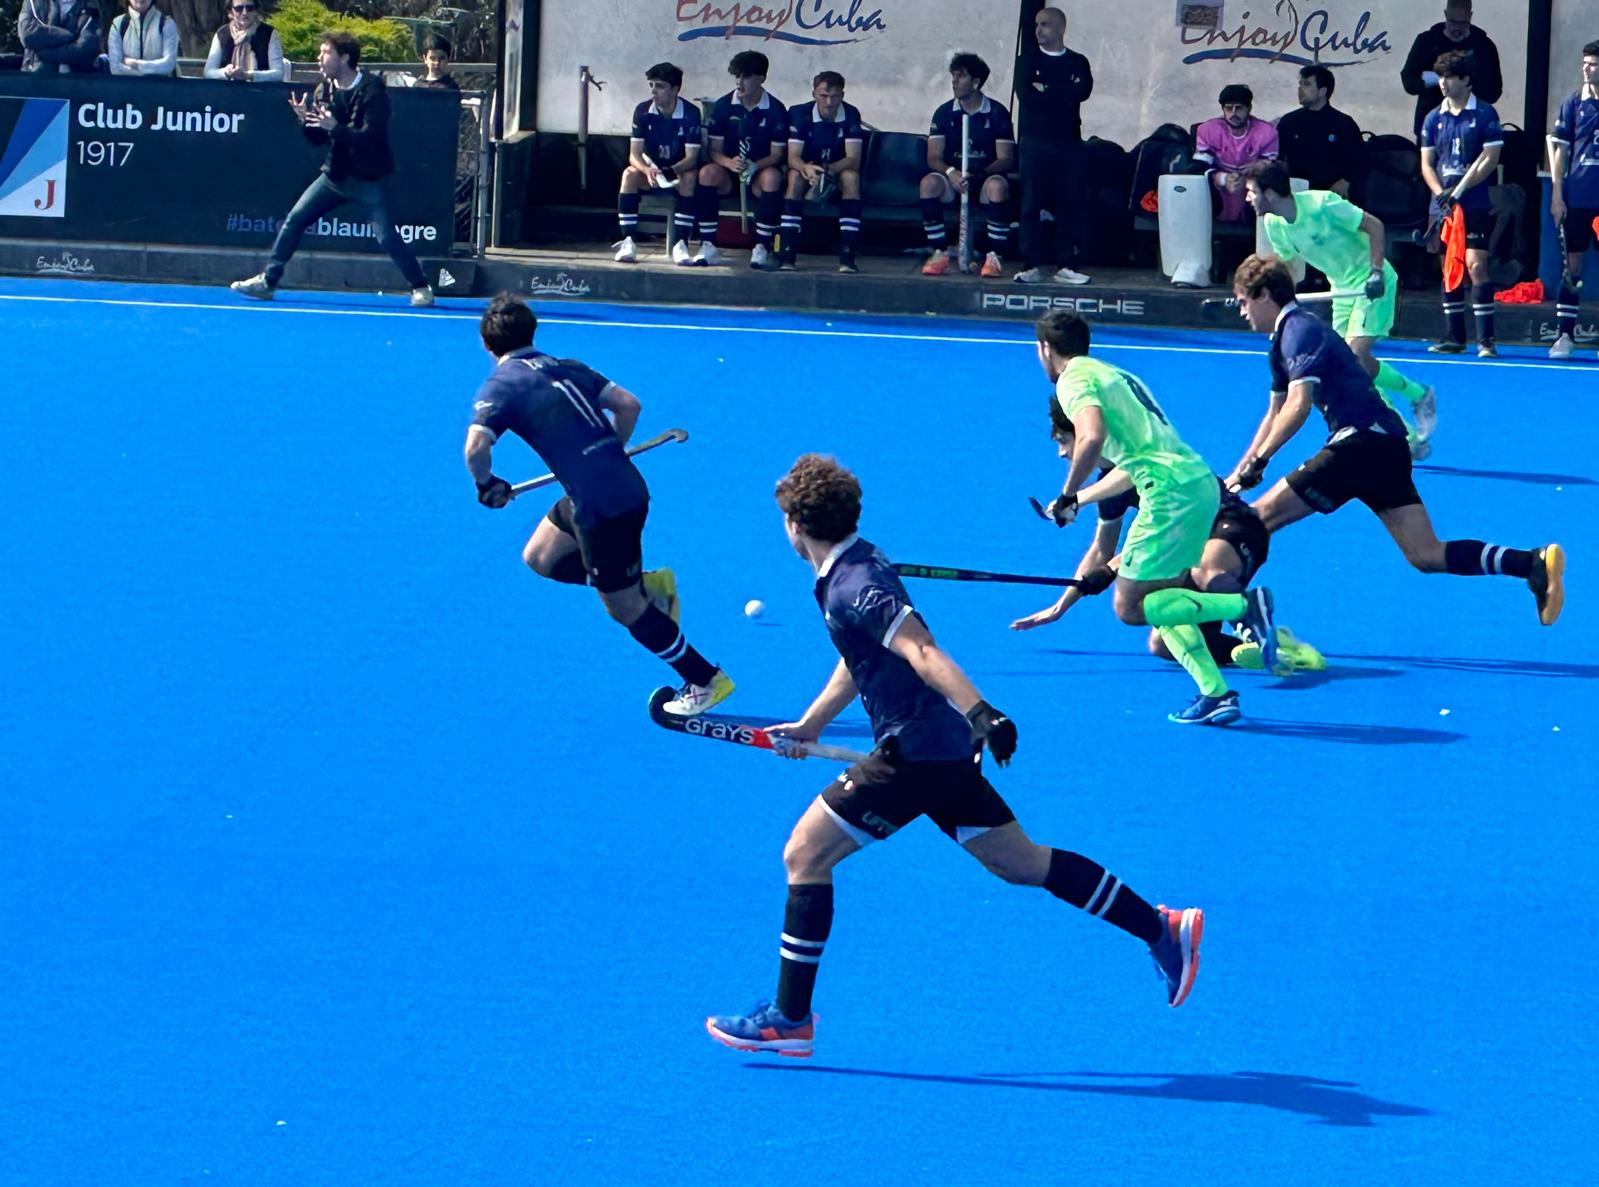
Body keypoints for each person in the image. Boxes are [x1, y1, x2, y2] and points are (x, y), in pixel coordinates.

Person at [704, 453, 1203, 1057]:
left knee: (804, 855)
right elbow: (863, 658)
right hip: (939, 750)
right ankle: (1161, 927)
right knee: (1021, 863)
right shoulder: (851, 573)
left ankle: (790, 1017)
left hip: (913, 753)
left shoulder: (858, 584)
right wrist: (812, 724)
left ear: (794, 525)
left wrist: (982, 712)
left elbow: (921, 651)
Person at [1225, 255, 1565, 627]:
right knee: (1426, 554)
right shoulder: (1282, 341)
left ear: (1264, 295)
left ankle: (1232, 617)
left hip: (1359, 446)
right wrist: (1240, 471)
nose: (1242, 311)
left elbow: (1298, 406)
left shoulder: (1298, 330)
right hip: (1386, 447)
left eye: (1244, 300)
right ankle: (1532, 564)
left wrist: (1261, 462)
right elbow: (1273, 413)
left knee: (1255, 521)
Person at [464, 295, 734, 716]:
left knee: (623, 608)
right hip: (612, 490)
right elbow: (628, 404)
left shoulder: (499, 386)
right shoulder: (568, 366)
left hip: (602, 507)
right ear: (532, 333)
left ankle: (704, 679)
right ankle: (647, 584)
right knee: (540, 557)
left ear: (487, 344)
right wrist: (612, 449)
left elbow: (476, 447)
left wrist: (487, 484)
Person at [1035, 310, 1280, 724]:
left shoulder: (1072, 380)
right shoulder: (1115, 375)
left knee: (1131, 607)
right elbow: (1130, 466)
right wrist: (1081, 500)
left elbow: (1090, 437)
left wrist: (1066, 492)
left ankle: (1243, 608)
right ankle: (1216, 694)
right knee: (1162, 600)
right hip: (1195, 482)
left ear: (1045, 349)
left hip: (1168, 494)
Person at [1011, 397, 1326, 675]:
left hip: (1233, 529)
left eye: (1063, 440)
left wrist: (1108, 566)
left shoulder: (1145, 458)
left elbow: (1146, 543)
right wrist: (1061, 606)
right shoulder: (1108, 487)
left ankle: (1247, 609)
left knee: (1208, 570)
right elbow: (1101, 551)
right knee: (1163, 644)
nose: (1061, 453)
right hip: (1188, 547)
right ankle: (1270, 650)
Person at [1245, 160, 1439, 461]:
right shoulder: (1274, 224)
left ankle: (1405, 434)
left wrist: (1376, 271)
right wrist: (1267, 297)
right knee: (1349, 367)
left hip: (1371, 283)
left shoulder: (1324, 203)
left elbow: (1374, 225)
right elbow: (1287, 267)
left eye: (1251, 192)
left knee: (1357, 360)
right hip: (1342, 291)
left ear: (1269, 193)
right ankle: (1416, 398)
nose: (1247, 198)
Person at [229, 34, 435, 307]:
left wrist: (334, 127)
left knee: (386, 236)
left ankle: (421, 287)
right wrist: (306, 122)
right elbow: (319, 139)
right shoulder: (323, 90)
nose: (319, 58)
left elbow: (370, 136)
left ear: (345, 58)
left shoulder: (373, 90)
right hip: (334, 176)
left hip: (368, 178)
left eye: (325, 53)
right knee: (295, 219)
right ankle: (268, 282)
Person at [1419, 49, 1503, 357]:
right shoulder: (1433, 117)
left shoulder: (1485, 114)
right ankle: (1454, 338)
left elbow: (1489, 160)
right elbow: (1427, 163)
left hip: (1474, 202)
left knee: (1476, 264)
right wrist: (1440, 191)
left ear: (1466, 80)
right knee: (1449, 267)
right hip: (1442, 205)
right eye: (1440, 76)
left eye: (1450, 77)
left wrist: (1461, 191)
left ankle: (1486, 341)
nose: (1443, 82)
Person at [1013, 7, 1093, 285]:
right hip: (1035, 143)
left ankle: (1067, 263)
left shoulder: (1078, 61)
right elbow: (1028, 96)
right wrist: (1061, 92)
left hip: (1069, 144)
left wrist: (1048, 89)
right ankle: (1031, 264)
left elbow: (1082, 92)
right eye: (1036, 25)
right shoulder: (1026, 62)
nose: (1039, 30)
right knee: (1031, 203)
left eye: (1045, 24)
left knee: (1069, 203)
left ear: (1060, 28)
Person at [920, 52, 1015, 279]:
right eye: (953, 76)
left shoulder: (997, 112)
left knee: (997, 187)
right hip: (953, 180)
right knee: (929, 183)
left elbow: (1006, 158)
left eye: (960, 77)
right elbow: (933, 157)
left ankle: (994, 256)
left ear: (976, 82)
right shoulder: (944, 113)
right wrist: (951, 173)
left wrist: (979, 174)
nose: (954, 82)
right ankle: (940, 251)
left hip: (984, 179)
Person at [695, 50, 787, 268]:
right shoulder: (723, 107)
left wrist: (755, 165)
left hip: (758, 173)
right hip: (728, 174)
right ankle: (708, 244)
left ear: (761, 78)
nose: (739, 82)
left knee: (772, 178)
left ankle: (762, 246)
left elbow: (777, 155)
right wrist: (728, 162)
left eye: (745, 76)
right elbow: (714, 151)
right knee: (706, 173)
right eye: (736, 76)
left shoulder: (775, 110)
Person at [613, 62, 701, 267]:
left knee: (690, 177)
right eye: (651, 85)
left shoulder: (690, 113)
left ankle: (681, 245)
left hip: (677, 171)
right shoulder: (642, 111)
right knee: (629, 175)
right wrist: (646, 169)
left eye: (660, 86)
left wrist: (669, 171)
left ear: (675, 89)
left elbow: (692, 157)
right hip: (650, 172)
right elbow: (634, 154)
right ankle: (628, 242)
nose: (653, 91)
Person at [780, 71, 865, 273]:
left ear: (842, 95)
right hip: (807, 168)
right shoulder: (800, 114)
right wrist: (806, 168)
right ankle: (787, 254)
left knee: (851, 178)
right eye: (823, 96)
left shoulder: (851, 113)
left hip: (836, 169)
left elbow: (853, 159)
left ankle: (847, 255)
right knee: (794, 178)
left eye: (834, 96)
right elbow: (792, 157)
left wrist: (828, 171)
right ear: (814, 94)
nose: (829, 102)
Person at [1548, 41, 1599, 360]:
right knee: (1573, 266)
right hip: (1577, 198)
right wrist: (1556, 195)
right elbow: (1560, 151)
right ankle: (1565, 335)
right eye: (1585, 63)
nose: (1586, 68)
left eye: (1593, 64)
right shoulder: (1572, 103)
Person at [1400, 1, 1501, 139]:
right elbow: (1409, 81)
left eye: (1463, 23)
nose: (1457, 29)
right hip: (1432, 128)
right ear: (1446, 15)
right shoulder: (1427, 42)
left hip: (1472, 128)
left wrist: (1464, 82)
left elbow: (1493, 92)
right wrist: (1436, 80)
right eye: (1453, 22)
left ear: (1470, 17)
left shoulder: (1483, 46)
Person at [1194, 84, 1278, 224]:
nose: (1233, 113)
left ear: (1249, 109)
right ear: (1223, 109)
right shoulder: (1207, 130)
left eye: (1239, 108)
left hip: (1253, 193)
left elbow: (1270, 170)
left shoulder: (1267, 133)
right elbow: (1198, 168)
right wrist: (1223, 179)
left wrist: (1246, 181)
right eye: (1228, 108)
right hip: (1216, 191)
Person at [1274, 66, 1363, 196]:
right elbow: (1279, 158)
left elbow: (1359, 159)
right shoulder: (1289, 121)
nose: (1300, 89)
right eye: (1300, 84)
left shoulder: (1343, 123)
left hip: (1331, 193)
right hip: (1297, 192)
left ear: (1322, 91)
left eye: (1306, 84)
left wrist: (1346, 181)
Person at [203, 0, 284, 83]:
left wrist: (248, 75)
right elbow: (208, 72)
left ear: (256, 10)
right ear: (231, 11)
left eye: (250, 8)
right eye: (239, 8)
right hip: (226, 92)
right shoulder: (222, 34)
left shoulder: (269, 33)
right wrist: (225, 73)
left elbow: (278, 74)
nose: (244, 12)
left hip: (260, 92)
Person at [18, 0, 101, 74]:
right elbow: (27, 35)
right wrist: (67, 36)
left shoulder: (92, 6)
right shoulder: (33, 2)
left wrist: (42, 54)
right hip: (34, 78)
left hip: (76, 83)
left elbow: (85, 50)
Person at [106, 0, 178, 77]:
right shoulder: (118, 24)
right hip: (128, 87)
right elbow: (115, 68)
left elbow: (169, 64)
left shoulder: (166, 23)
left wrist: (137, 64)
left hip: (161, 87)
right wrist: (142, 74)